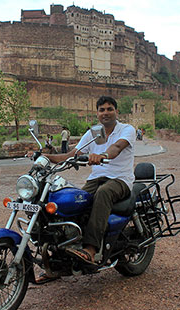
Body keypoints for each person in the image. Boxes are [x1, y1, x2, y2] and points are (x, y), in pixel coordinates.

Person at [33, 96, 136, 265]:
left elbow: (116, 147)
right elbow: (70, 155)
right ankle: (62, 250)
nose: (106, 113)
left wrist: (102, 155)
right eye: (102, 110)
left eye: (110, 109)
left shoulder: (127, 129)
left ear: (117, 112)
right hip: (96, 178)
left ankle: (91, 248)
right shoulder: (93, 133)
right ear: (97, 113)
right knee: (74, 199)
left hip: (120, 179)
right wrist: (46, 157)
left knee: (103, 193)